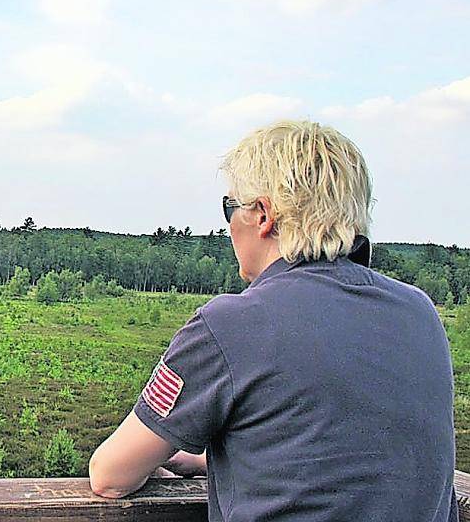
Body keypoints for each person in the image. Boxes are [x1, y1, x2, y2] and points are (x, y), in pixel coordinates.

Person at [88, 120, 457, 521]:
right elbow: (351, 462)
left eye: (230, 207)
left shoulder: (230, 325)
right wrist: (219, 459)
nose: (228, 225)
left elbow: (110, 475)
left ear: (263, 215)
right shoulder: (419, 312)